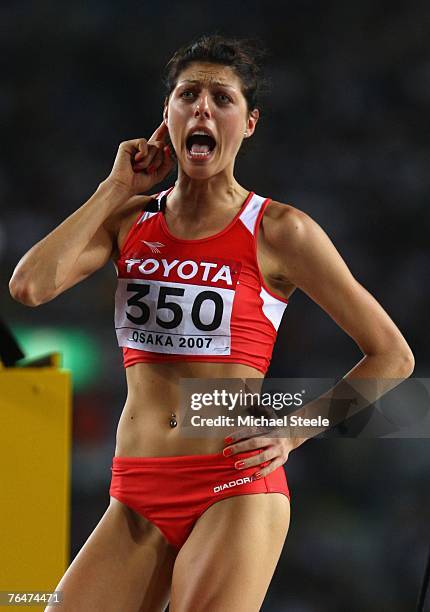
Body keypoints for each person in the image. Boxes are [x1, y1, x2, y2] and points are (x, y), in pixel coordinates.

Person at [9, 34, 414, 612]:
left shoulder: (280, 230)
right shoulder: (129, 221)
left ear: (248, 124)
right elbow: (30, 286)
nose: (202, 108)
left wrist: (296, 431)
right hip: (136, 490)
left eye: (221, 98)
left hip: (231, 481)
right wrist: (115, 188)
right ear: (167, 117)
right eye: (188, 94)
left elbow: (393, 357)